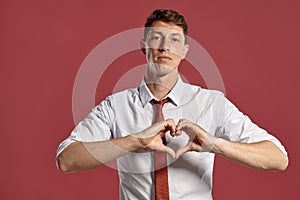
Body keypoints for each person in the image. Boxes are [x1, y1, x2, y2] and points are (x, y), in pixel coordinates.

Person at [56, 9, 288, 200]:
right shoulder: (115, 107)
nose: (165, 47)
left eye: (175, 40)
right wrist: (135, 141)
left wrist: (213, 144)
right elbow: (66, 160)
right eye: (157, 38)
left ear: (185, 51)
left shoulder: (212, 103)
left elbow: (278, 158)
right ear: (144, 45)